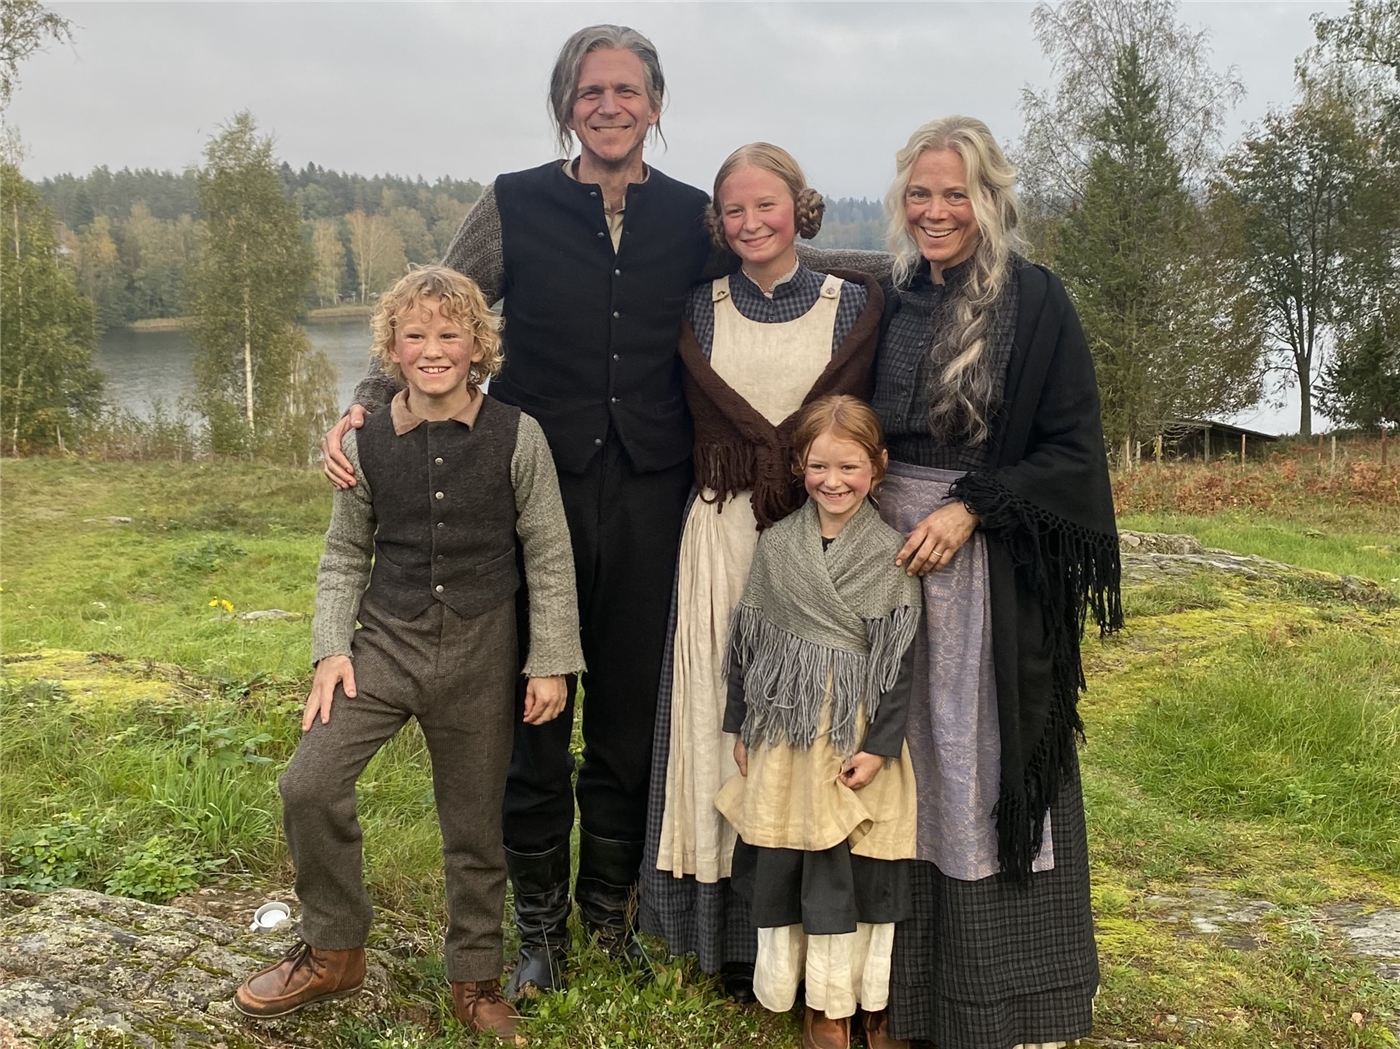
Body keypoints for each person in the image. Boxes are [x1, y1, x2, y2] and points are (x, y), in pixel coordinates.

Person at [321, 25, 712, 996]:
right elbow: (439, 309)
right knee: (535, 711)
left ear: (656, 105)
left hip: (652, 492)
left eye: (627, 89)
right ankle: (537, 922)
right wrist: (364, 406)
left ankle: (608, 909)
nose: (609, 105)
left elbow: (775, 256)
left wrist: (891, 263)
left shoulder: (691, 215)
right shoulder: (513, 202)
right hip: (538, 490)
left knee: (627, 713)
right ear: (565, 104)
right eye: (590, 90)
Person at [234, 267, 584, 1044]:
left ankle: (475, 979)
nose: (433, 349)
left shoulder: (518, 435)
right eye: (415, 334)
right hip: (384, 645)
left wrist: (551, 659)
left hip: (483, 649)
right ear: (392, 347)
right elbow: (342, 555)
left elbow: (549, 553)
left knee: (474, 828)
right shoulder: (361, 441)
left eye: (450, 334)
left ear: (477, 345)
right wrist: (330, 649)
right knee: (308, 782)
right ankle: (334, 948)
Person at [868, 117, 1121, 1048]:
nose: (935, 211)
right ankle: (886, 993)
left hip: (980, 564)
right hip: (881, 563)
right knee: (894, 759)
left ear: (991, 200)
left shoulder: (1035, 301)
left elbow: (1072, 449)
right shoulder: (888, 295)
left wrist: (971, 507)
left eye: (956, 194)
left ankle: (991, 1001)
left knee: (971, 759)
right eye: (920, 193)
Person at [639, 144, 884, 1000]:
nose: (751, 223)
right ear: (717, 221)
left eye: (767, 205)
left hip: (820, 530)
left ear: (800, 207)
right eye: (734, 210)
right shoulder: (697, 309)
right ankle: (723, 935)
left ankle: (819, 938)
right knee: (720, 721)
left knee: (815, 719)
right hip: (725, 533)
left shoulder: (852, 305)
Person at [715, 395, 921, 1049]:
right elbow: (749, 641)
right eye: (819, 466)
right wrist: (741, 724)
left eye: (849, 466)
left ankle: (866, 1000)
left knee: (860, 864)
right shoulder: (779, 546)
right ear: (800, 466)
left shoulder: (889, 553)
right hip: (787, 731)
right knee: (795, 857)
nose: (833, 481)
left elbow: (899, 660)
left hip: (854, 733)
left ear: (877, 467)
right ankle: (819, 1005)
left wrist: (880, 746)